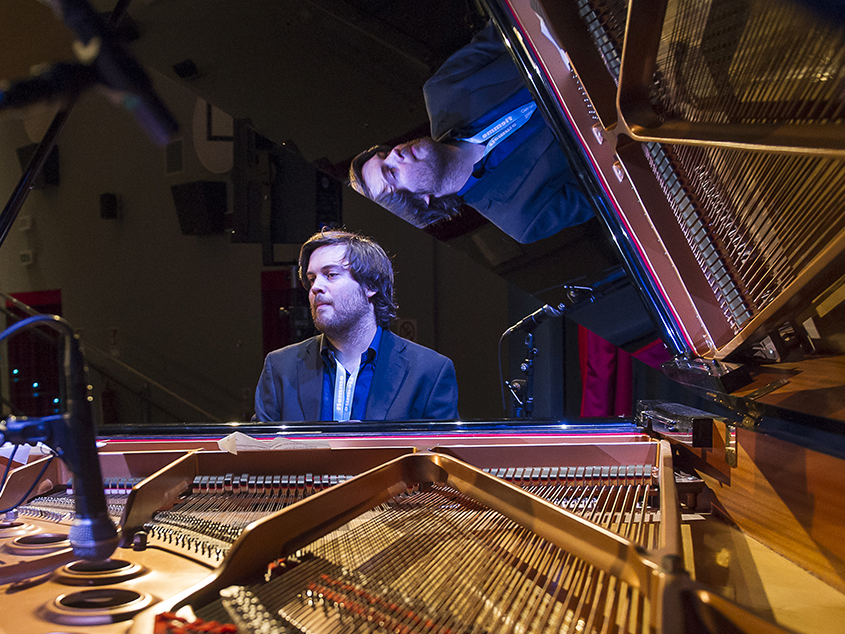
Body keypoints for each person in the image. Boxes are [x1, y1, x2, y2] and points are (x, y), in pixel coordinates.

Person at [349, 24, 595, 244]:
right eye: (391, 172)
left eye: (383, 154)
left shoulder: (442, 90)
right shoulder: (522, 218)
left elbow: (514, 22)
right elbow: (622, 182)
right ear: (422, 201)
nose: (394, 153)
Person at [254, 229, 458, 422]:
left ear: (370, 285)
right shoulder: (281, 367)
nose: (316, 287)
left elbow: (440, 457)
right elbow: (259, 454)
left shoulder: (429, 371)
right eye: (311, 278)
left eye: (331, 274)